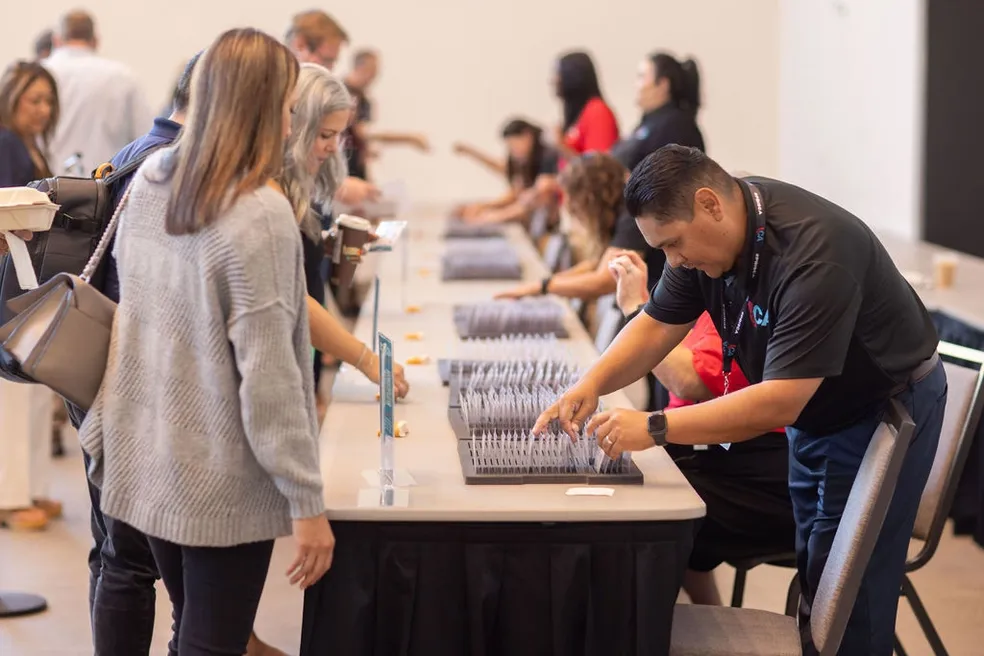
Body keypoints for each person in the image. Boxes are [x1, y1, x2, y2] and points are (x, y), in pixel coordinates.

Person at [534, 145, 946, 655]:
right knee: (818, 572)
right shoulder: (703, 243)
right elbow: (656, 325)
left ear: (709, 204)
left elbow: (779, 403)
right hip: (818, 412)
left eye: (674, 244)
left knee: (849, 592)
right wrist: (589, 384)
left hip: (882, 410)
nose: (674, 261)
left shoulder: (814, 254)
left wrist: (656, 427)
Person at [79, 28, 335, 655]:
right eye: (285, 104)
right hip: (220, 469)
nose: (290, 120)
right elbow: (270, 376)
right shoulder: (258, 209)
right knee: (210, 643)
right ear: (258, 105)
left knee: (191, 629)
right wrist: (308, 503)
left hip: (152, 448)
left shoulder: (155, 176)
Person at [609, 250, 794, 606]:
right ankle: (692, 613)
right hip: (731, 451)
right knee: (646, 487)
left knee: (643, 515)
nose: (675, 256)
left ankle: (642, 626)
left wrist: (636, 307)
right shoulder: (716, 279)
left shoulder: (753, 294)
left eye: (675, 242)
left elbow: (689, 379)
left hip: (769, 472)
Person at [282, 62, 411, 416]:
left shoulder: (302, 182)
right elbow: (290, 293)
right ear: (295, 127)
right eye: (324, 136)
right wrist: (366, 360)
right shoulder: (271, 192)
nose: (331, 148)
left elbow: (294, 255)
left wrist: (329, 243)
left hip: (303, 345)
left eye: (338, 136)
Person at [0, 59, 62, 531]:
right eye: (33, 100)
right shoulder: (5, 143)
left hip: (26, 275)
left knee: (35, 386)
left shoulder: (29, 144)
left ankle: (31, 486)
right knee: (13, 394)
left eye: (47, 101)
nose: (42, 109)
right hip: (7, 277)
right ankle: (11, 495)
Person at [495, 153, 664, 301]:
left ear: (588, 198)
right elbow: (596, 263)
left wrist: (544, 287)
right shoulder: (620, 210)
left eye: (573, 202)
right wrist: (544, 283)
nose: (569, 207)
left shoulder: (631, 216)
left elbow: (604, 280)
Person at [283, 11, 378, 212]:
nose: (330, 70)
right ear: (300, 45)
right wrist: (337, 188)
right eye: (326, 61)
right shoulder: (276, 97)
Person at [42, 10, 153, 174]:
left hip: (43, 189)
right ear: (95, 41)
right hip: (104, 187)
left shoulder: (38, 75)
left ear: (56, 40)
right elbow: (146, 141)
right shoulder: (123, 77)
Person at [452, 118, 559, 225]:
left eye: (515, 145)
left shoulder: (547, 155)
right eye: (510, 147)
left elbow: (538, 194)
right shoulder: (521, 159)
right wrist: (483, 206)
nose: (513, 150)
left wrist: (493, 217)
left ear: (527, 135)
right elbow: (514, 191)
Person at [343, 49, 429, 181]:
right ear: (360, 67)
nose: (375, 75)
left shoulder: (365, 101)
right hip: (339, 168)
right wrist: (410, 138)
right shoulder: (339, 92)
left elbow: (364, 137)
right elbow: (364, 133)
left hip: (356, 168)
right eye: (372, 70)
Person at [612, 52, 705, 173]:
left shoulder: (676, 126)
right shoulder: (649, 123)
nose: (636, 85)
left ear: (662, 84)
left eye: (641, 77)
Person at [553, 51, 619, 163]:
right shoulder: (581, 115)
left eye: (559, 74)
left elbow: (598, 168)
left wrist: (561, 147)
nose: (554, 80)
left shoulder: (597, 112)